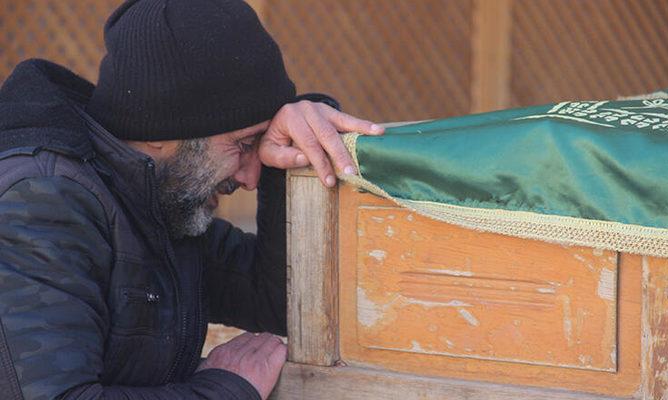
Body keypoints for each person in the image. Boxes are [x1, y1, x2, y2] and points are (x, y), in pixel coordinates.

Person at [0, 0, 383, 399]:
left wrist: (293, 154)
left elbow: (279, 301)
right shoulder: (40, 202)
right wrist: (228, 388)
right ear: (159, 130)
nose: (252, 177)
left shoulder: (158, 199)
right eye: (244, 144)